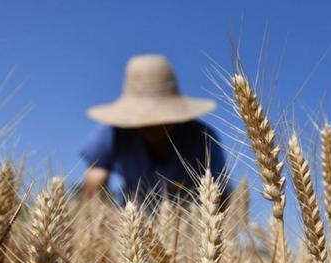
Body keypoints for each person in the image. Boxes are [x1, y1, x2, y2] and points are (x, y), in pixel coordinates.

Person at [81, 54, 226, 202]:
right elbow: (93, 182)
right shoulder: (110, 132)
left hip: (190, 223)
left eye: (161, 116)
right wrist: (108, 217)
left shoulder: (203, 139)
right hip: (129, 219)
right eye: (144, 117)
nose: (153, 124)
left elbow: (222, 195)